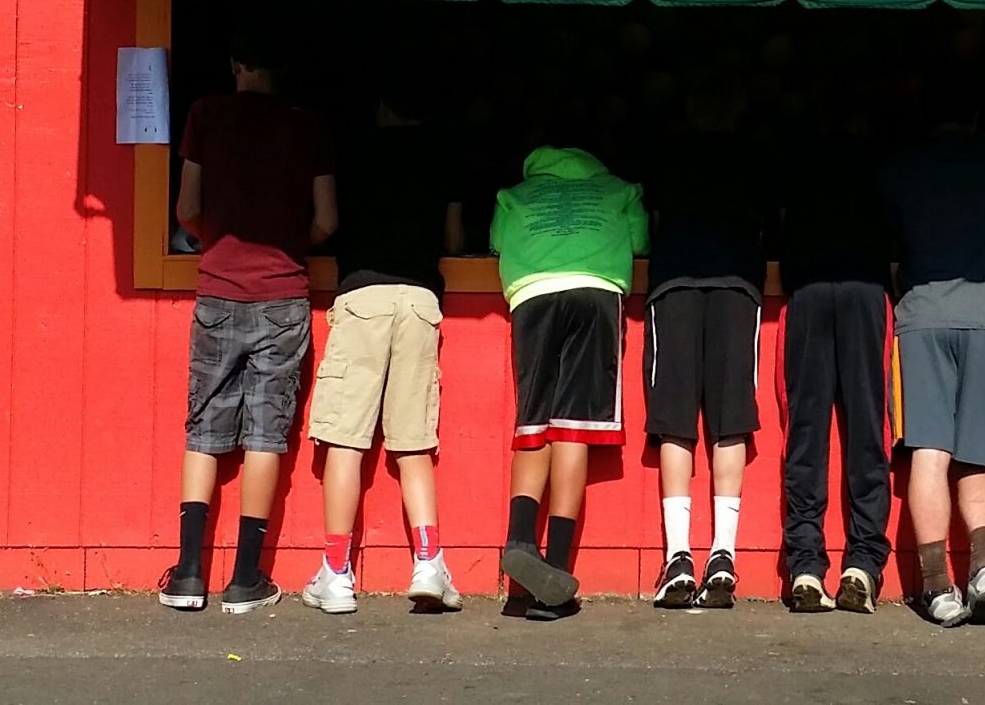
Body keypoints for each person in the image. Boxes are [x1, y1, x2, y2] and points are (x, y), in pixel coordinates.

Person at [158, 28, 337, 614]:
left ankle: (187, 574)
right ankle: (245, 578)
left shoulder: (206, 114)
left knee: (204, 428)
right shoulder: (307, 124)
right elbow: (327, 221)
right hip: (283, 295)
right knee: (266, 433)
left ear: (236, 63)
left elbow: (186, 208)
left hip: (218, 291)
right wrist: (286, 243)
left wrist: (219, 246)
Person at [300, 77, 466, 616]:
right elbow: (454, 241)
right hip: (419, 300)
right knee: (413, 441)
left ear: (380, 104)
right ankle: (428, 563)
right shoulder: (443, 156)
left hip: (363, 295)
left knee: (346, 439)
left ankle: (336, 574)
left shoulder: (352, 151)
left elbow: (328, 222)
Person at [880, 78, 985, 628]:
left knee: (929, 452)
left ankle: (939, 587)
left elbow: (892, 243)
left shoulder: (899, 169)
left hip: (923, 317)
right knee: (979, 455)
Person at [490, 135, 648, 620]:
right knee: (574, 425)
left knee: (534, 421)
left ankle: (520, 537)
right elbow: (640, 243)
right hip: (595, 291)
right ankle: (554, 571)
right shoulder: (621, 190)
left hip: (533, 294)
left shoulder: (512, 195)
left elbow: (495, 244)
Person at [643, 71, 770, 609]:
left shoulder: (664, 153)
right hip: (737, 284)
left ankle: (678, 555)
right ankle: (724, 551)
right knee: (730, 418)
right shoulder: (755, 155)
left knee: (675, 420)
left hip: (674, 283)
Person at [776, 95, 894, 614]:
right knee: (867, 428)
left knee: (808, 431)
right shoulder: (880, 162)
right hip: (866, 289)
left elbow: (779, 236)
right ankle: (863, 564)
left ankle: (805, 565)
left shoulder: (796, 158)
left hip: (808, 290)